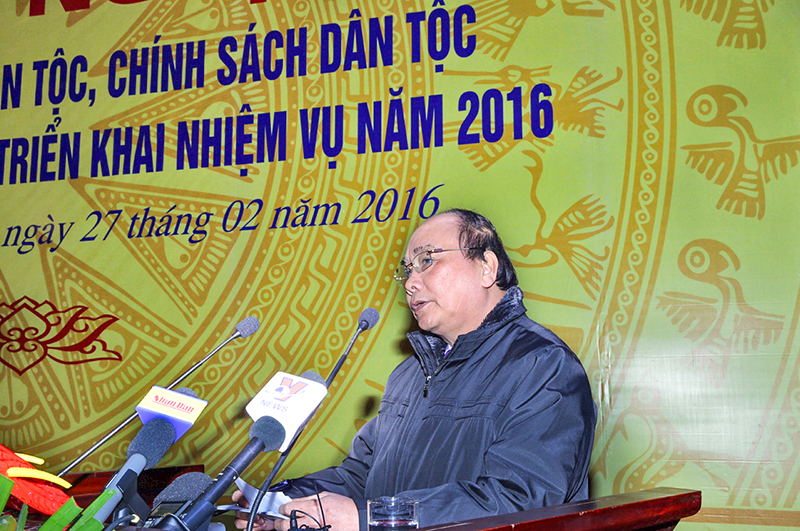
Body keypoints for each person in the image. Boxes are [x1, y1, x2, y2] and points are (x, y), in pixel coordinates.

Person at [234, 209, 596, 531]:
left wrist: (373, 518)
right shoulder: (408, 375)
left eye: (427, 260)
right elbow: (360, 478)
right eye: (408, 270)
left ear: (486, 266)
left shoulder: (543, 365)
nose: (410, 283)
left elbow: (520, 500)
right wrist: (281, 500)